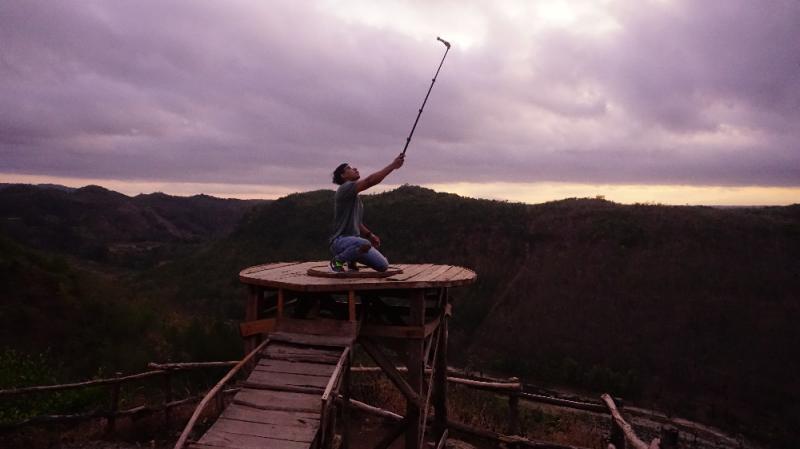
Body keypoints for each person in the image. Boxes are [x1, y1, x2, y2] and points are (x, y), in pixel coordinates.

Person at [329, 153, 405, 272]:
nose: (354, 169)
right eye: (349, 168)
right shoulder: (344, 188)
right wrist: (392, 166)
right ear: (343, 176)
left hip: (354, 242)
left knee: (383, 265)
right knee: (364, 243)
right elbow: (370, 181)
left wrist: (370, 235)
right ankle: (337, 261)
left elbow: (357, 223)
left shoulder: (356, 199)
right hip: (340, 241)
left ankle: (351, 261)